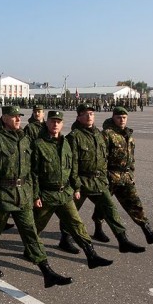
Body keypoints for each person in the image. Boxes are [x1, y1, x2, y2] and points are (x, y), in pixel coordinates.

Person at [0, 105, 72, 288]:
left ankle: (47, 271)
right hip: (3, 195)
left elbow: (32, 171)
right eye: (13, 116)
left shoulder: (25, 139)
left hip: (23, 194)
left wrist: (34, 193)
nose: (17, 119)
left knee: (30, 232)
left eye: (19, 116)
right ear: (5, 118)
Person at [32, 111, 112, 269]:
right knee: (36, 227)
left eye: (58, 122)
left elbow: (72, 168)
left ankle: (91, 255)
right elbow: (33, 173)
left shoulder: (66, 143)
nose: (55, 124)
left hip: (64, 193)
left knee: (77, 224)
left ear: (62, 124)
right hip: (46, 195)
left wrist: (76, 187)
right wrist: (35, 195)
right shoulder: (38, 145)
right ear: (46, 123)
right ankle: (31, 250)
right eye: (52, 121)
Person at [61, 104, 145, 254]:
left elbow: (104, 158)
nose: (89, 117)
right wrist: (76, 186)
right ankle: (65, 239)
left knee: (110, 209)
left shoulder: (98, 135)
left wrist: (105, 178)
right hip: (81, 181)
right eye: (85, 114)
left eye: (91, 114)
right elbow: (71, 164)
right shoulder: (74, 137)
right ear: (78, 117)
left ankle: (123, 240)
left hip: (98, 182)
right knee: (71, 214)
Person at [91, 106, 153, 244]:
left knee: (134, 203)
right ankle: (98, 230)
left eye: (124, 118)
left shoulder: (128, 135)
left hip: (126, 176)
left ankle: (148, 232)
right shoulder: (106, 134)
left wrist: (131, 172)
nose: (122, 120)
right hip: (110, 176)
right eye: (119, 117)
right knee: (103, 205)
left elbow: (131, 156)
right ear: (113, 118)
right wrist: (103, 177)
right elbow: (100, 158)